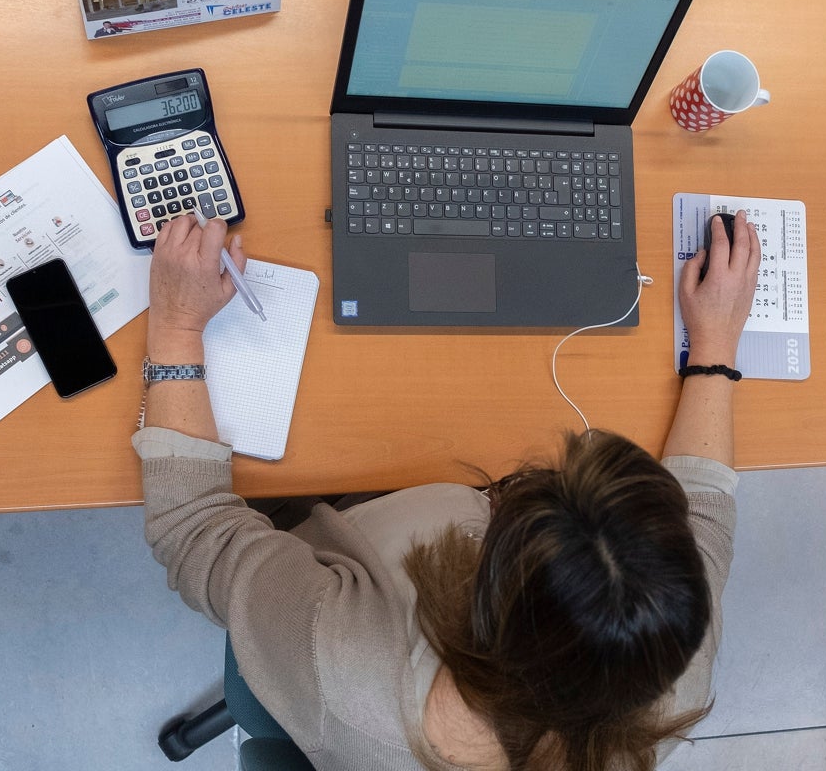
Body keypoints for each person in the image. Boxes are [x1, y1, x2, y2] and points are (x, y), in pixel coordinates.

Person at [136, 211, 761, 771]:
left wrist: (177, 323)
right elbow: (702, 511)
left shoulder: (347, 664)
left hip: (345, 528)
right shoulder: (667, 662)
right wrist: (714, 347)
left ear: (480, 580)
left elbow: (193, 527)